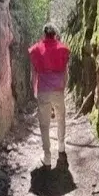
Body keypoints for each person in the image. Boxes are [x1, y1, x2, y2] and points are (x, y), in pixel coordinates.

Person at [28, 23, 70, 167]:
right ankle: (61, 146)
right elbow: (65, 72)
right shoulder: (63, 49)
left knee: (44, 124)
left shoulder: (36, 50)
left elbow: (33, 74)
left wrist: (35, 90)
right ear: (55, 34)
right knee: (61, 118)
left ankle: (47, 157)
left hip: (44, 91)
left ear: (44, 34)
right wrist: (63, 87)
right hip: (58, 90)